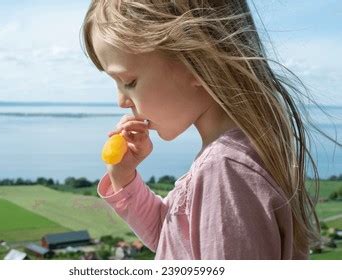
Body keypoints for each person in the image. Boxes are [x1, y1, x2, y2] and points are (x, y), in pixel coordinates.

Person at [80, 0, 327, 259]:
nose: (121, 100)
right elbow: (171, 236)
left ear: (197, 62)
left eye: (129, 81)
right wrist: (123, 177)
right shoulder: (232, 160)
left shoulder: (226, 172)